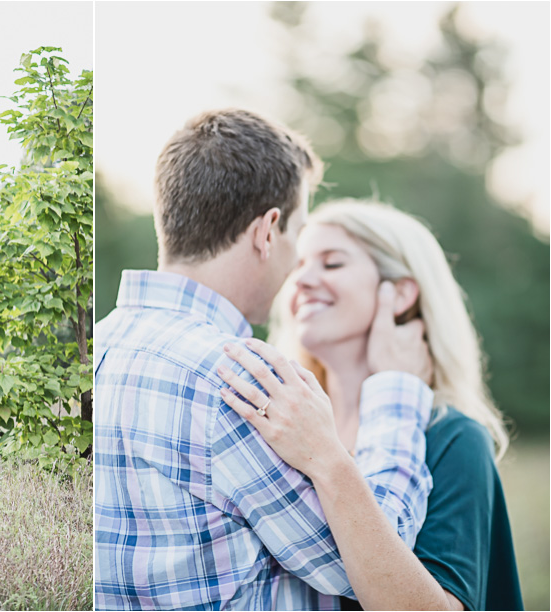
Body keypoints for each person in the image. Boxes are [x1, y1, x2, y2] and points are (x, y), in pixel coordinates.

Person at [94, 109, 436, 610]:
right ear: (267, 231)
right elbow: (374, 558)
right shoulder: (236, 380)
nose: (299, 266)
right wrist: (396, 390)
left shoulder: (101, 347)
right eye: (298, 236)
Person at [219, 199, 523, 610]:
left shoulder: (453, 438)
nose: (301, 280)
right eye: (299, 265)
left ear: (399, 294)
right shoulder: (280, 425)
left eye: (332, 264)